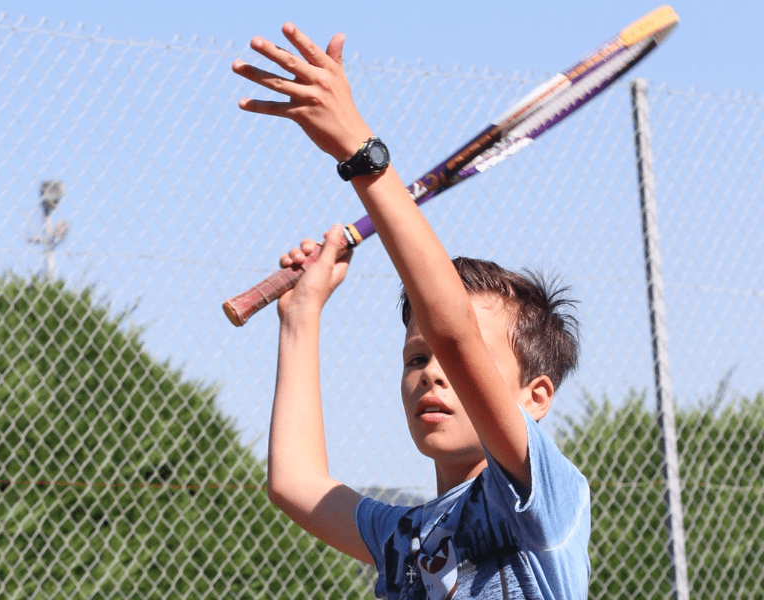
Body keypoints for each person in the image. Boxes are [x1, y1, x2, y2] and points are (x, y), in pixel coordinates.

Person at [232, 23, 591, 600]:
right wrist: (301, 317)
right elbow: (294, 482)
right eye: (415, 357)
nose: (431, 371)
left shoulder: (542, 497)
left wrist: (360, 153)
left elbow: (454, 334)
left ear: (536, 396)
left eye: (449, 353)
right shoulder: (403, 538)